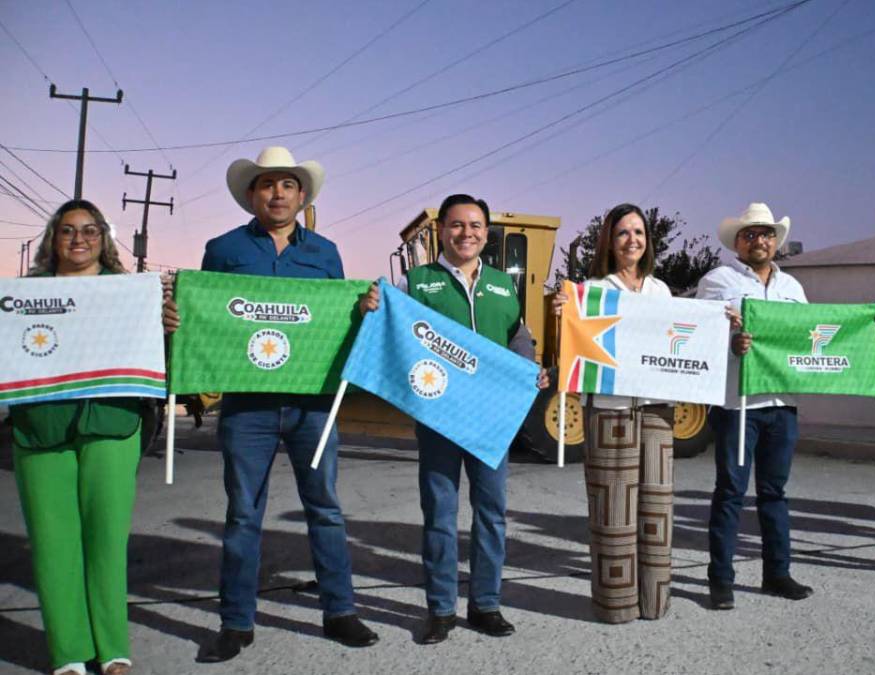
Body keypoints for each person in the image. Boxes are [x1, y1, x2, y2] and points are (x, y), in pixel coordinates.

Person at [165, 147, 378, 663]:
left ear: (302, 196)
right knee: (243, 513)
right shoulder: (223, 250)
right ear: (252, 194)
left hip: (313, 406)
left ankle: (340, 611)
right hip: (248, 407)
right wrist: (177, 318)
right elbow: (206, 319)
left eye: (286, 185)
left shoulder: (326, 253)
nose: (277, 194)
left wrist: (364, 309)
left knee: (324, 508)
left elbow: (338, 321)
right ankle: (236, 622)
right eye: (267, 184)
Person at [359, 194, 549, 644]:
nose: (467, 233)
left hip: (490, 420)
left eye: (476, 225)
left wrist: (530, 369)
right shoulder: (416, 281)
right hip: (439, 418)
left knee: (492, 514)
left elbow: (519, 338)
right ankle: (441, 610)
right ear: (442, 230)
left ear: (486, 233)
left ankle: (486, 605)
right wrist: (369, 309)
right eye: (458, 225)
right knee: (440, 514)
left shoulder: (503, 285)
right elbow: (387, 328)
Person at [10, 200, 142, 675]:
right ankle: (68, 652)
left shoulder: (130, 293)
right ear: (53, 239)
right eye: (67, 230)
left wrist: (166, 323)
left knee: (106, 538)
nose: (78, 239)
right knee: (52, 541)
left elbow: (155, 352)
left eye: (89, 230)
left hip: (112, 423)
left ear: (103, 239)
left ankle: (112, 648)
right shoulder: (23, 295)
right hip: (40, 427)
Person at [551, 203, 676, 623]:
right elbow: (571, 350)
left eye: (639, 232)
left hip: (657, 409)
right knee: (613, 511)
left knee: (657, 507)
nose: (632, 240)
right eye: (623, 232)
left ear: (648, 241)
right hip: (609, 409)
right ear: (609, 240)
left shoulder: (661, 291)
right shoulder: (592, 290)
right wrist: (564, 316)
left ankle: (655, 601)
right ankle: (616, 604)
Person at [695, 202, 814, 610]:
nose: (759, 240)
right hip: (737, 404)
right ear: (737, 242)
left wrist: (867, 328)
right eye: (750, 234)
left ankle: (777, 573)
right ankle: (721, 579)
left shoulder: (793, 288)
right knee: (730, 491)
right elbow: (700, 336)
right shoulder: (717, 281)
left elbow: (808, 337)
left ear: (775, 241)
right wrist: (731, 342)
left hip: (782, 402)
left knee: (774, 492)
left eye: (766, 233)